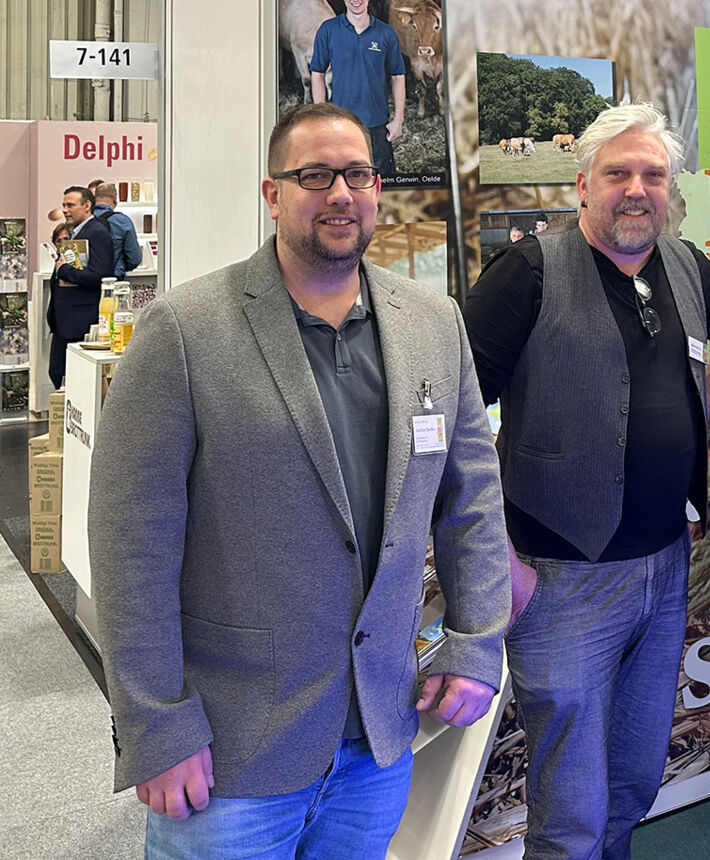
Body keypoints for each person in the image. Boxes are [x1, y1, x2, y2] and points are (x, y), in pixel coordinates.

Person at [89, 103, 511, 857]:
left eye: (356, 174)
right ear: (272, 193)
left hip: (377, 737)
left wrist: (477, 642)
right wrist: (154, 722)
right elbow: (130, 547)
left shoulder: (432, 323)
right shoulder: (185, 332)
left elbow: (470, 498)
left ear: (377, 188)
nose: (339, 193)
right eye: (314, 175)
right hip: (230, 750)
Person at [463, 101, 710, 859]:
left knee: (632, 782)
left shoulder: (686, 265)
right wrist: (502, 562)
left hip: (665, 567)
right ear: (582, 183)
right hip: (563, 581)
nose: (637, 189)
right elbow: (455, 418)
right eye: (618, 173)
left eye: (652, 175)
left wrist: (696, 412)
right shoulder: (527, 272)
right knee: (572, 813)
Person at [309, 0, 405, 177]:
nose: (356, 0)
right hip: (341, 123)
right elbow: (317, 73)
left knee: (381, 180)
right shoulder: (328, 30)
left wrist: (398, 119)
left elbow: (398, 76)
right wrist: (321, 117)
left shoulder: (386, 33)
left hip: (377, 124)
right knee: (345, 181)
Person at [48, 185, 113, 387]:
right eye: (64, 205)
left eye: (70, 205)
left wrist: (65, 271)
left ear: (87, 206)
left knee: (70, 377)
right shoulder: (77, 232)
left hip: (79, 320)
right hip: (66, 320)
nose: (65, 210)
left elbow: (100, 274)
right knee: (58, 373)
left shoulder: (96, 232)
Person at [91, 182, 143, 277]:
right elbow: (134, 258)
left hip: (86, 282)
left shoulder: (84, 218)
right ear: (115, 198)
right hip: (113, 278)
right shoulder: (122, 221)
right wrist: (120, 266)